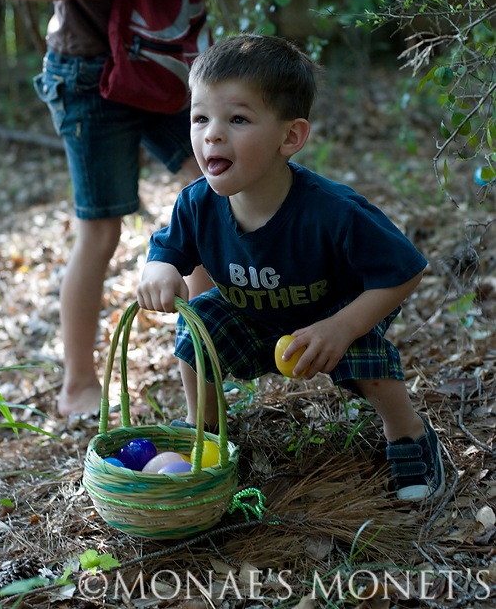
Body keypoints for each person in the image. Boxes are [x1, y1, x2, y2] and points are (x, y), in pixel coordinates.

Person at [137, 33, 445, 502]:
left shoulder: (332, 211)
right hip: (253, 315)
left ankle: (407, 432)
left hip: (333, 313)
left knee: (366, 352)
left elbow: (404, 269)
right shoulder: (196, 203)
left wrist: (341, 326)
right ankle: (206, 429)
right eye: (200, 118)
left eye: (237, 118)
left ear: (291, 136)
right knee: (200, 322)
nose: (211, 134)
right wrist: (157, 270)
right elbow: (167, 252)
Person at [3, 0, 231, 417]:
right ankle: (77, 385)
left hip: (152, 63)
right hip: (88, 77)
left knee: (211, 195)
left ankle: (208, 365)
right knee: (100, 230)